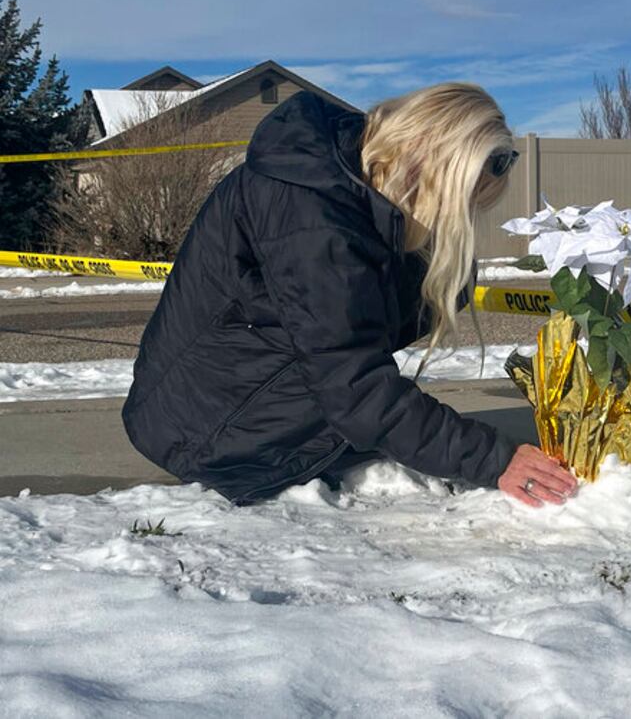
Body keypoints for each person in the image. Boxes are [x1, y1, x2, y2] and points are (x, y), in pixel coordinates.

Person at [122, 83, 577, 508]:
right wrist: (493, 459)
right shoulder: (313, 216)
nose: (453, 219)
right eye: (457, 201)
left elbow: (350, 343)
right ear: (426, 168)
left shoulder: (344, 185)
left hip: (214, 404)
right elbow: (351, 380)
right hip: (206, 435)